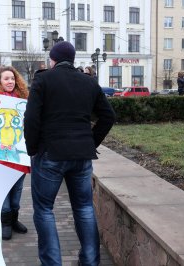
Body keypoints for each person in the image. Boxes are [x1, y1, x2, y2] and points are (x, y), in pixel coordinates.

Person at [24, 41, 115, 266]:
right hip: (82, 156)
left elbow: (31, 118)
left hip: (50, 154)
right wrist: (90, 143)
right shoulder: (89, 82)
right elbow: (108, 116)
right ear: (73, 60)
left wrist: (33, 149)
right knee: (84, 208)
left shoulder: (43, 79)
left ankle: (52, 263)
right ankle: (90, 261)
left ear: (52, 60)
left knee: (44, 210)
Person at [0, 66, 30, 241]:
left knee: (17, 192)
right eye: (6, 79)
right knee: (3, 192)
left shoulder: (23, 101)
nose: (10, 82)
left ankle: (14, 220)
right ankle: (5, 222)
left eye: (12, 78)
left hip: (18, 157)